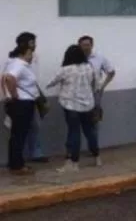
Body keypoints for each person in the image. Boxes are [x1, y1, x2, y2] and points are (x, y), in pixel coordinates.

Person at [46, 45, 103, 172]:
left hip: (70, 105)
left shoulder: (65, 69)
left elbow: (51, 82)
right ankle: (97, 157)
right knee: (90, 131)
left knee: (74, 132)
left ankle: (73, 163)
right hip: (88, 104)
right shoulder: (90, 68)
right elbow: (97, 85)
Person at [2, 42, 38, 175]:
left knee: (17, 135)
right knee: (20, 135)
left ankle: (15, 163)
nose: (31, 56)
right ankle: (17, 165)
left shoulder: (14, 64)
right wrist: (15, 95)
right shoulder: (19, 65)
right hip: (22, 103)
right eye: (29, 53)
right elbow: (10, 78)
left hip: (20, 103)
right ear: (23, 53)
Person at [12, 32, 48, 164]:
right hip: (22, 100)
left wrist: (40, 97)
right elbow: (10, 78)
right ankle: (19, 159)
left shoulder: (34, 58)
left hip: (33, 96)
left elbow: (33, 79)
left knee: (35, 126)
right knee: (21, 130)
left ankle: (36, 153)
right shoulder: (16, 60)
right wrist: (14, 95)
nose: (35, 46)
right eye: (32, 43)